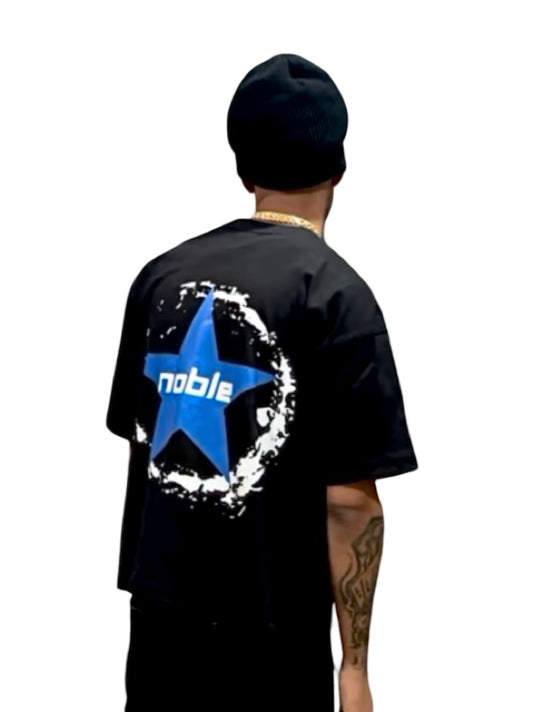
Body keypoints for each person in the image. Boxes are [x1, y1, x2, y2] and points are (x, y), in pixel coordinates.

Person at [106, 53, 418, 712]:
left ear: (241, 167)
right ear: (339, 167)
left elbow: (145, 443)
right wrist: (354, 670)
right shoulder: (336, 296)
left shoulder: (159, 280)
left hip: (159, 637)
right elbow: (349, 504)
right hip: (273, 645)